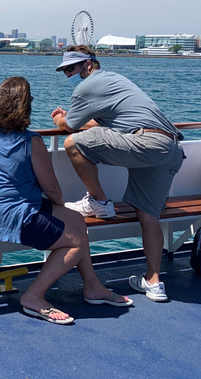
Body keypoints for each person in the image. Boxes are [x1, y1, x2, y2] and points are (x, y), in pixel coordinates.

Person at [0, 77, 131, 325]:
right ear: (23, 107)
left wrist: (60, 209)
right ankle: (33, 296)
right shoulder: (30, 141)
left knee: (77, 220)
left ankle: (92, 287)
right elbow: (52, 188)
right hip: (10, 213)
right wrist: (59, 202)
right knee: (75, 242)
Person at [51, 45, 184, 302]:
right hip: (169, 147)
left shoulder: (87, 87)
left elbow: (70, 127)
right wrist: (74, 120)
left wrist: (59, 118)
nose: (69, 74)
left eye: (71, 68)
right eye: (65, 70)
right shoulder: (116, 80)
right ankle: (154, 282)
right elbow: (104, 123)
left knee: (73, 143)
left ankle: (99, 202)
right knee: (148, 215)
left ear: (88, 65)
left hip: (144, 143)